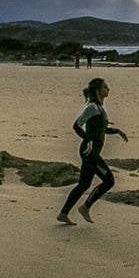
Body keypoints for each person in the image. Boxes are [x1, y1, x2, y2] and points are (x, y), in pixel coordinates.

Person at [58, 77, 127, 224]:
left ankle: (63, 214)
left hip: (91, 152)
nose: (108, 89)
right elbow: (76, 125)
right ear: (98, 90)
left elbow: (101, 130)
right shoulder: (92, 108)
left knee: (83, 184)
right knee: (109, 181)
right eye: (105, 87)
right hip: (90, 153)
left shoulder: (101, 109)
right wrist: (87, 140)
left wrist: (117, 131)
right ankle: (85, 207)